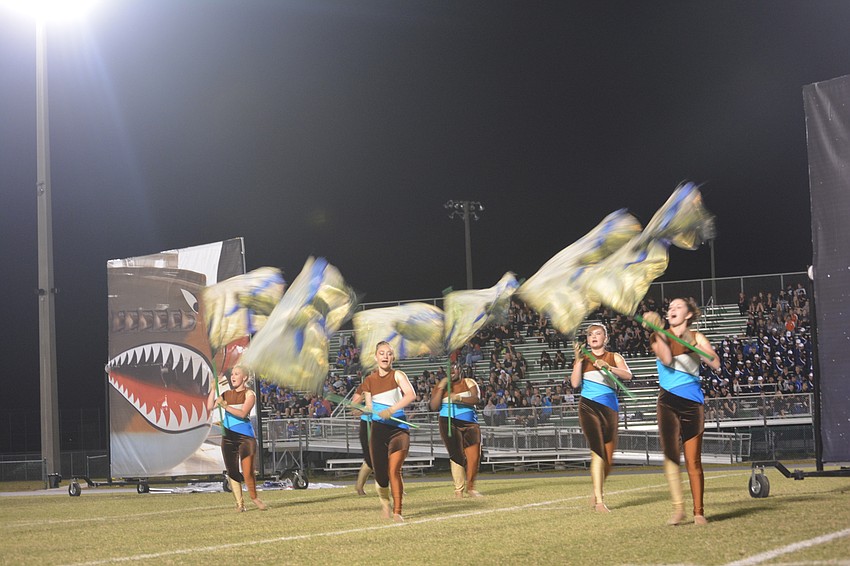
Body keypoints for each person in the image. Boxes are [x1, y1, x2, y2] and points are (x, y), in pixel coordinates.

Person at [644, 297, 720, 526]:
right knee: (670, 457)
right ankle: (679, 509)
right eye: (669, 308)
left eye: (678, 307)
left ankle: (698, 512)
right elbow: (666, 359)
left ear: (688, 314)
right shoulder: (658, 335)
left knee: (693, 460)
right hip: (667, 401)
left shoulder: (696, 336)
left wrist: (692, 344)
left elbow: (715, 362)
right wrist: (657, 330)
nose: (672, 310)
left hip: (692, 401)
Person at [570, 323, 632, 512]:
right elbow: (574, 383)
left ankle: (597, 489)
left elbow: (628, 375)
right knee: (597, 452)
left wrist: (609, 367)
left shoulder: (614, 357)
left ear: (606, 338)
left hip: (610, 407)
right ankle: (599, 501)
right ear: (587, 340)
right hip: (588, 405)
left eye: (598, 334)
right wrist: (578, 360)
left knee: (608, 458)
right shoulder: (583, 359)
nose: (594, 337)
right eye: (590, 335)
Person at [361, 341, 416, 522]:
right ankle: (385, 501)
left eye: (389, 353)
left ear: (393, 357)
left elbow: (410, 395)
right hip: (378, 430)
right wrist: (367, 410)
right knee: (381, 473)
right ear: (376, 357)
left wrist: (391, 410)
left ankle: (397, 511)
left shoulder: (398, 375)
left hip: (399, 430)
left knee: (394, 470)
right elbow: (369, 405)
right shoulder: (369, 381)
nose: (385, 356)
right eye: (382, 353)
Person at [207, 365, 267, 512]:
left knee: (247, 471)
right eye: (232, 374)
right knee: (232, 471)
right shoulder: (226, 394)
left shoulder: (249, 394)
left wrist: (225, 406)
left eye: (237, 374)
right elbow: (209, 407)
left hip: (245, 436)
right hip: (228, 436)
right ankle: (240, 504)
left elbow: (242, 413)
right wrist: (213, 389)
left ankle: (254, 497)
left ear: (244, 377)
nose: (233, 377)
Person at [430, 364, 483, 498]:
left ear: (460, 370)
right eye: (450, 369)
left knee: (474, 456)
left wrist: (459, 398)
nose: (452, 371)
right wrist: (441, 387)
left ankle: (471, 487)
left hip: (469, 422)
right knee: (456, 455)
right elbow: (433, 406)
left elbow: (476, 399)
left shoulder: (469, 382)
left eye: (455, 368)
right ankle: (458, 489)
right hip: (448, 421)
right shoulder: (441, 385)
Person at [350, 384, 373, 496]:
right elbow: (354, 410)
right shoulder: (363, 388)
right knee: (370, 459)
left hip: (384, 422)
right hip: (367, 424)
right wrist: (362, 398)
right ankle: (359, 486)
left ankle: (398, 487)